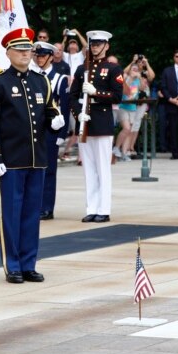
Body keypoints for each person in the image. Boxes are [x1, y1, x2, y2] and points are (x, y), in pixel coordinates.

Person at [0, 29, 63, 283]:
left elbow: (49, 109)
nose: (26, 53)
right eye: (20, 49)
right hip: (11, 161)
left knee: (31, 215)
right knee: (12, 215)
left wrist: (55, 120)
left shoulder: (41, 81)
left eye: (29, 49)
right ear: (8, 53)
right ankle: (12, 265)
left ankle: (29, 263)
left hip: (37, 159)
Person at [68, 30, 123, 223]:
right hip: (85, 124)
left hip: (102, 123)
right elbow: (72, 96)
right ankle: (91, 207)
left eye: (99, 44)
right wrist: (78, 113)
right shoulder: (82, 68)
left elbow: (117, 96)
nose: (95, 47)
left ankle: (104, 209)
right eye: (93, 44)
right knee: (88, 169)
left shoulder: (113, 69)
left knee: (102, 168)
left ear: (106, 46)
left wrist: (96, 92)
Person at [32, 41, 68, 220]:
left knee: (49, 170)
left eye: (43, 56)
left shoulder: (59, 79)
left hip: (51, 130)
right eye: (37, 55)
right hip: (34, 129)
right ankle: (35, 205)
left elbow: (66, 108)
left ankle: (47, 207)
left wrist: (62, 135)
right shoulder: (31, 76)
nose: (39, 59)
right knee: (34, 169)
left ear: (51, 57)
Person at [114, 55, 154, 161]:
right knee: (126, 128)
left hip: (132, 107)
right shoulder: (126, 77)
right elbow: (125, 90)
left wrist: (140, 77)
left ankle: (124, 153)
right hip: (123, 106)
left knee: (129, 130)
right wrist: (131, 73)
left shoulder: (138, 79)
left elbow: (142, 87)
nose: (135, 70)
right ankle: (116, 148)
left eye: (137, 69)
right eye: (134, 69)